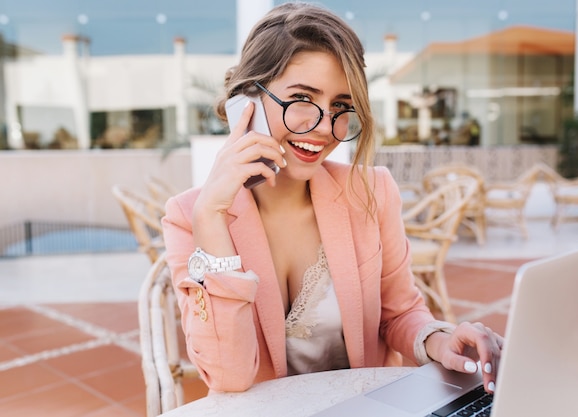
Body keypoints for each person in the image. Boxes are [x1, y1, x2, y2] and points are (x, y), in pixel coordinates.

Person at [161, 2, 503, 394]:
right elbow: (229, 376)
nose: (325, 127)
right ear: (247, 102)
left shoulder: (371, 192)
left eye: (340, 106)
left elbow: (399, 313)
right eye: (302, 100)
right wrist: (211, 219)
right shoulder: (191, 217)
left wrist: (439, 340)